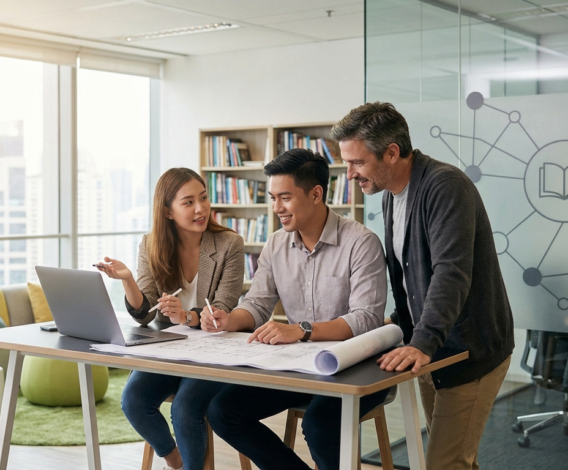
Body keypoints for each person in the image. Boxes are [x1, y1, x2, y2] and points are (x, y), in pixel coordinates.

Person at [331, 102, 515, 470]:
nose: (349, 174)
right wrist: (397, 324)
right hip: (432, 347)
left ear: (392, 153)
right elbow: (408, 273)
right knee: (456, 459)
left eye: (357, 162)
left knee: (445, 463)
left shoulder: (445, 186)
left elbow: (451, 272)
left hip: (469, 350)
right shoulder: (390, 195)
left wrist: (422, 341)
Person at [201, 149, 388, 470]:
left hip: (357, 365)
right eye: (273, 198)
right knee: (222, 410)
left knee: (320, 425)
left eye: (284, 198)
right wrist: (229, 319)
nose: (276, 209)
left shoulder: (361, 243)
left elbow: (366, 319)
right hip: (298, 365)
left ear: (316, 194)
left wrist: (301, 330)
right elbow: (258, 303)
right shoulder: (276, 243)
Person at [96, 167, 244, 470]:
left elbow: (223, 310)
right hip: (170, 349)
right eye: (188, 202)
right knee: (134, 401)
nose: (201, 208)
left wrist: (187, 316)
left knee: (185, 407)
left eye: (203, 198)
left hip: (214, 350)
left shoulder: (230, 244)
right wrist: (127, 280)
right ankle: (175, 460)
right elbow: (144, 314)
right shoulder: (150, 245)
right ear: (167, 212)